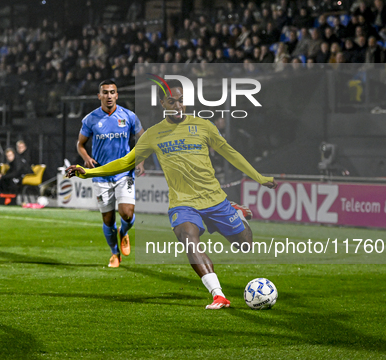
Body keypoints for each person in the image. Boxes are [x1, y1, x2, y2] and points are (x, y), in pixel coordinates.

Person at [67, 79, 277, 309]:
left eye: (181, 101)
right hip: (183, 204)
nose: (177, 106)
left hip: (215, 201)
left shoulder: (203, 126)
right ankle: (218, 294)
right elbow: (125, 162)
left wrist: (259, 177)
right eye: (172, 101)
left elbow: (231, 153)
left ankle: (237, 214)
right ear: (162, 103)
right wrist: (87, 173)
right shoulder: (154, 134)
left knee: (245, 244)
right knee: (188, 238)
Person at [76, 79, 144, 268]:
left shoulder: (129, 116)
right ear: (99, 96)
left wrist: (141, 160)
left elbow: (143, 139)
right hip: (101, 174)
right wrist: (87, 158)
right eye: (105, 92)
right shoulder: (91, 119)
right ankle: (115, 254)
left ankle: (124, 232)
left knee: (127, 214)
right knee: (108, 219)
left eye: (112, 92)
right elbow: (80, 144)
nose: (109, 96)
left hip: (124, 173)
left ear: (117, 95)